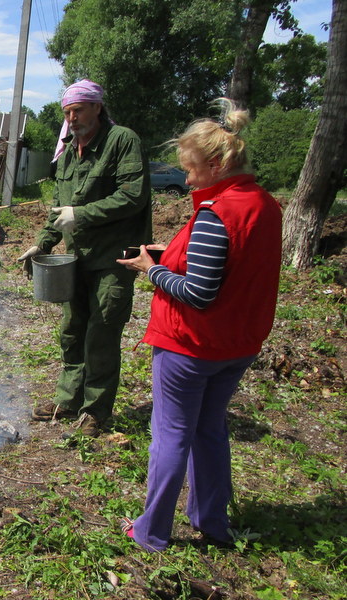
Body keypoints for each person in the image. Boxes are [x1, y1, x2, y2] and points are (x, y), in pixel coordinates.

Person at [117, 98, 282, 551]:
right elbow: (235, 265)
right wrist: (172, 252)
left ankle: (150, 531)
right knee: (210, 429)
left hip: (192, 345)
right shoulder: (265, 204)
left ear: (214, 165)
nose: (186, 178)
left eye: (190, 170)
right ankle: (211, 519)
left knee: (171, 435)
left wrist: (150, 269)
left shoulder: (216, 212)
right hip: (238, 344)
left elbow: (199, 292)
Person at [17, 79, 152, 437]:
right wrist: (42, 244)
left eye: (78, 110)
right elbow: (57, 209)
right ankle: (68, 399)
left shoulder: (122, 141)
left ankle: (95, 411)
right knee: (73, 330)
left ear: (96, 107)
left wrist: (82, 214)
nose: (72, 118)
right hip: (77, 257)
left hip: (114, 256)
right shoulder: (67, 151)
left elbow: (133, 195)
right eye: (67, 112)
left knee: (102, 332)